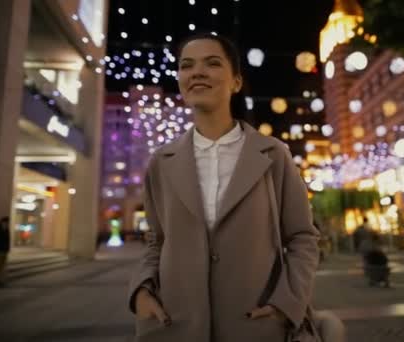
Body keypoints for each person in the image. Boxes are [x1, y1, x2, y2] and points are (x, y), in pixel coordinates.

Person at [128, 33, 320, 341]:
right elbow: (156, 240)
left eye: (213, 63)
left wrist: (286, 303)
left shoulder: (273, 155)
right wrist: (141, 291)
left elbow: (302, 238)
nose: (197, 72)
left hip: (256, 325)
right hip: (174, 325)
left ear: (237, 82)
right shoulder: (161, 162)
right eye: (186, 65)